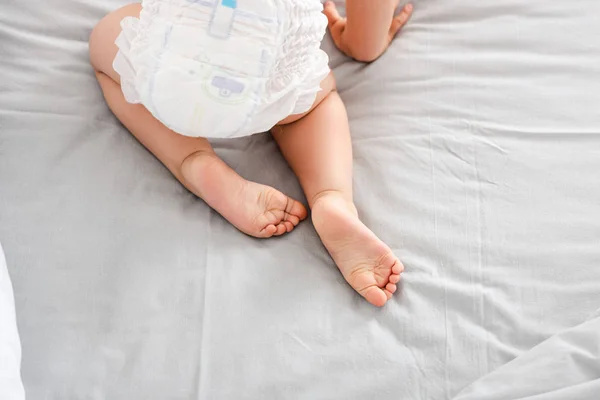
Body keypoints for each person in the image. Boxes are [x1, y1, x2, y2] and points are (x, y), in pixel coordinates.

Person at [89, 0, 413, 307]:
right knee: (315, 104)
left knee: (108, 37)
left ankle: (194, 163)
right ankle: (332, 198)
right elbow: (365, 41)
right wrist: (361, 41)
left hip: (176, 77)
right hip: (270, 86)